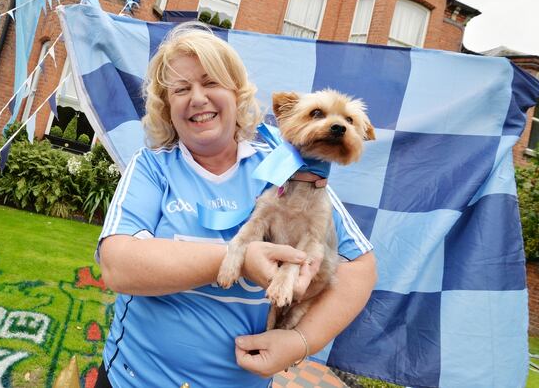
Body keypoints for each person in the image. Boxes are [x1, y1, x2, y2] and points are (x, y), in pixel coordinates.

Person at [94, 23, 377, 388]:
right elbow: (118, 266)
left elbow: (361, 268)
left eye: (211, 82)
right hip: (134, 379)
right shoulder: (153, 167)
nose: (197, 98)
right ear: (167, 107)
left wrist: (298, 341)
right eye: (181, 89)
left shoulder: (289, 166)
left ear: (237, 94)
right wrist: (238, 258)